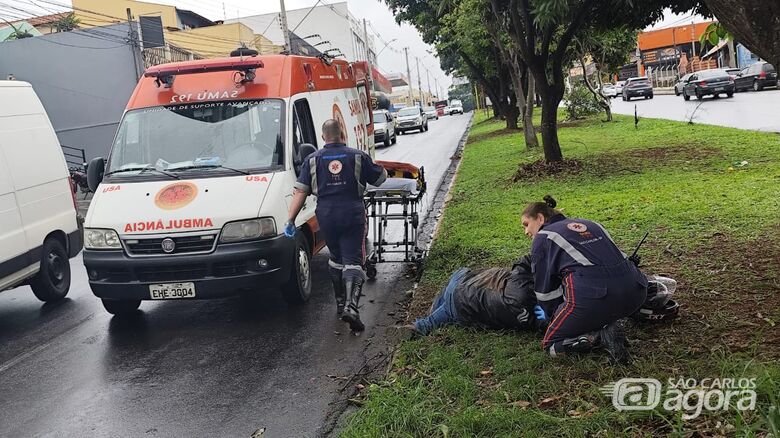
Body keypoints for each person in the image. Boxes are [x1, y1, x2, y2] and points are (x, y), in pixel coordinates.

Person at [285, 119, 387, 332]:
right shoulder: (357, 156)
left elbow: (301, 192)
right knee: (353, 260)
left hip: (326, 215)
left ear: (323, 137)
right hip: (352, 213)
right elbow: (380, 179)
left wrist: (290, 220)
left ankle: (340, 303)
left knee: (336, 259)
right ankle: (351, 307)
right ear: (343, 134)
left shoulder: (311, 160)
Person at [522, 195, 647, 364]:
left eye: (526, 224)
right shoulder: (591, 224)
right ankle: (604, 321)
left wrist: (555, 317)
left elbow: (546, 292)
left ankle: (597, 337)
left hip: (595, 296)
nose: (526, 232)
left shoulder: (544, 237)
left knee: (551, 344)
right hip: (637, 291)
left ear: (540, 218)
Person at [409, 255, 541, 336]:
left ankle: (429, 316)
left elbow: (525, 262)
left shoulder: (522, 291)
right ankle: (423, 323)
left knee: (458, 280)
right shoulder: (535, 317)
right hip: (465, 309)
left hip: (462, 295)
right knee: (446, 311)